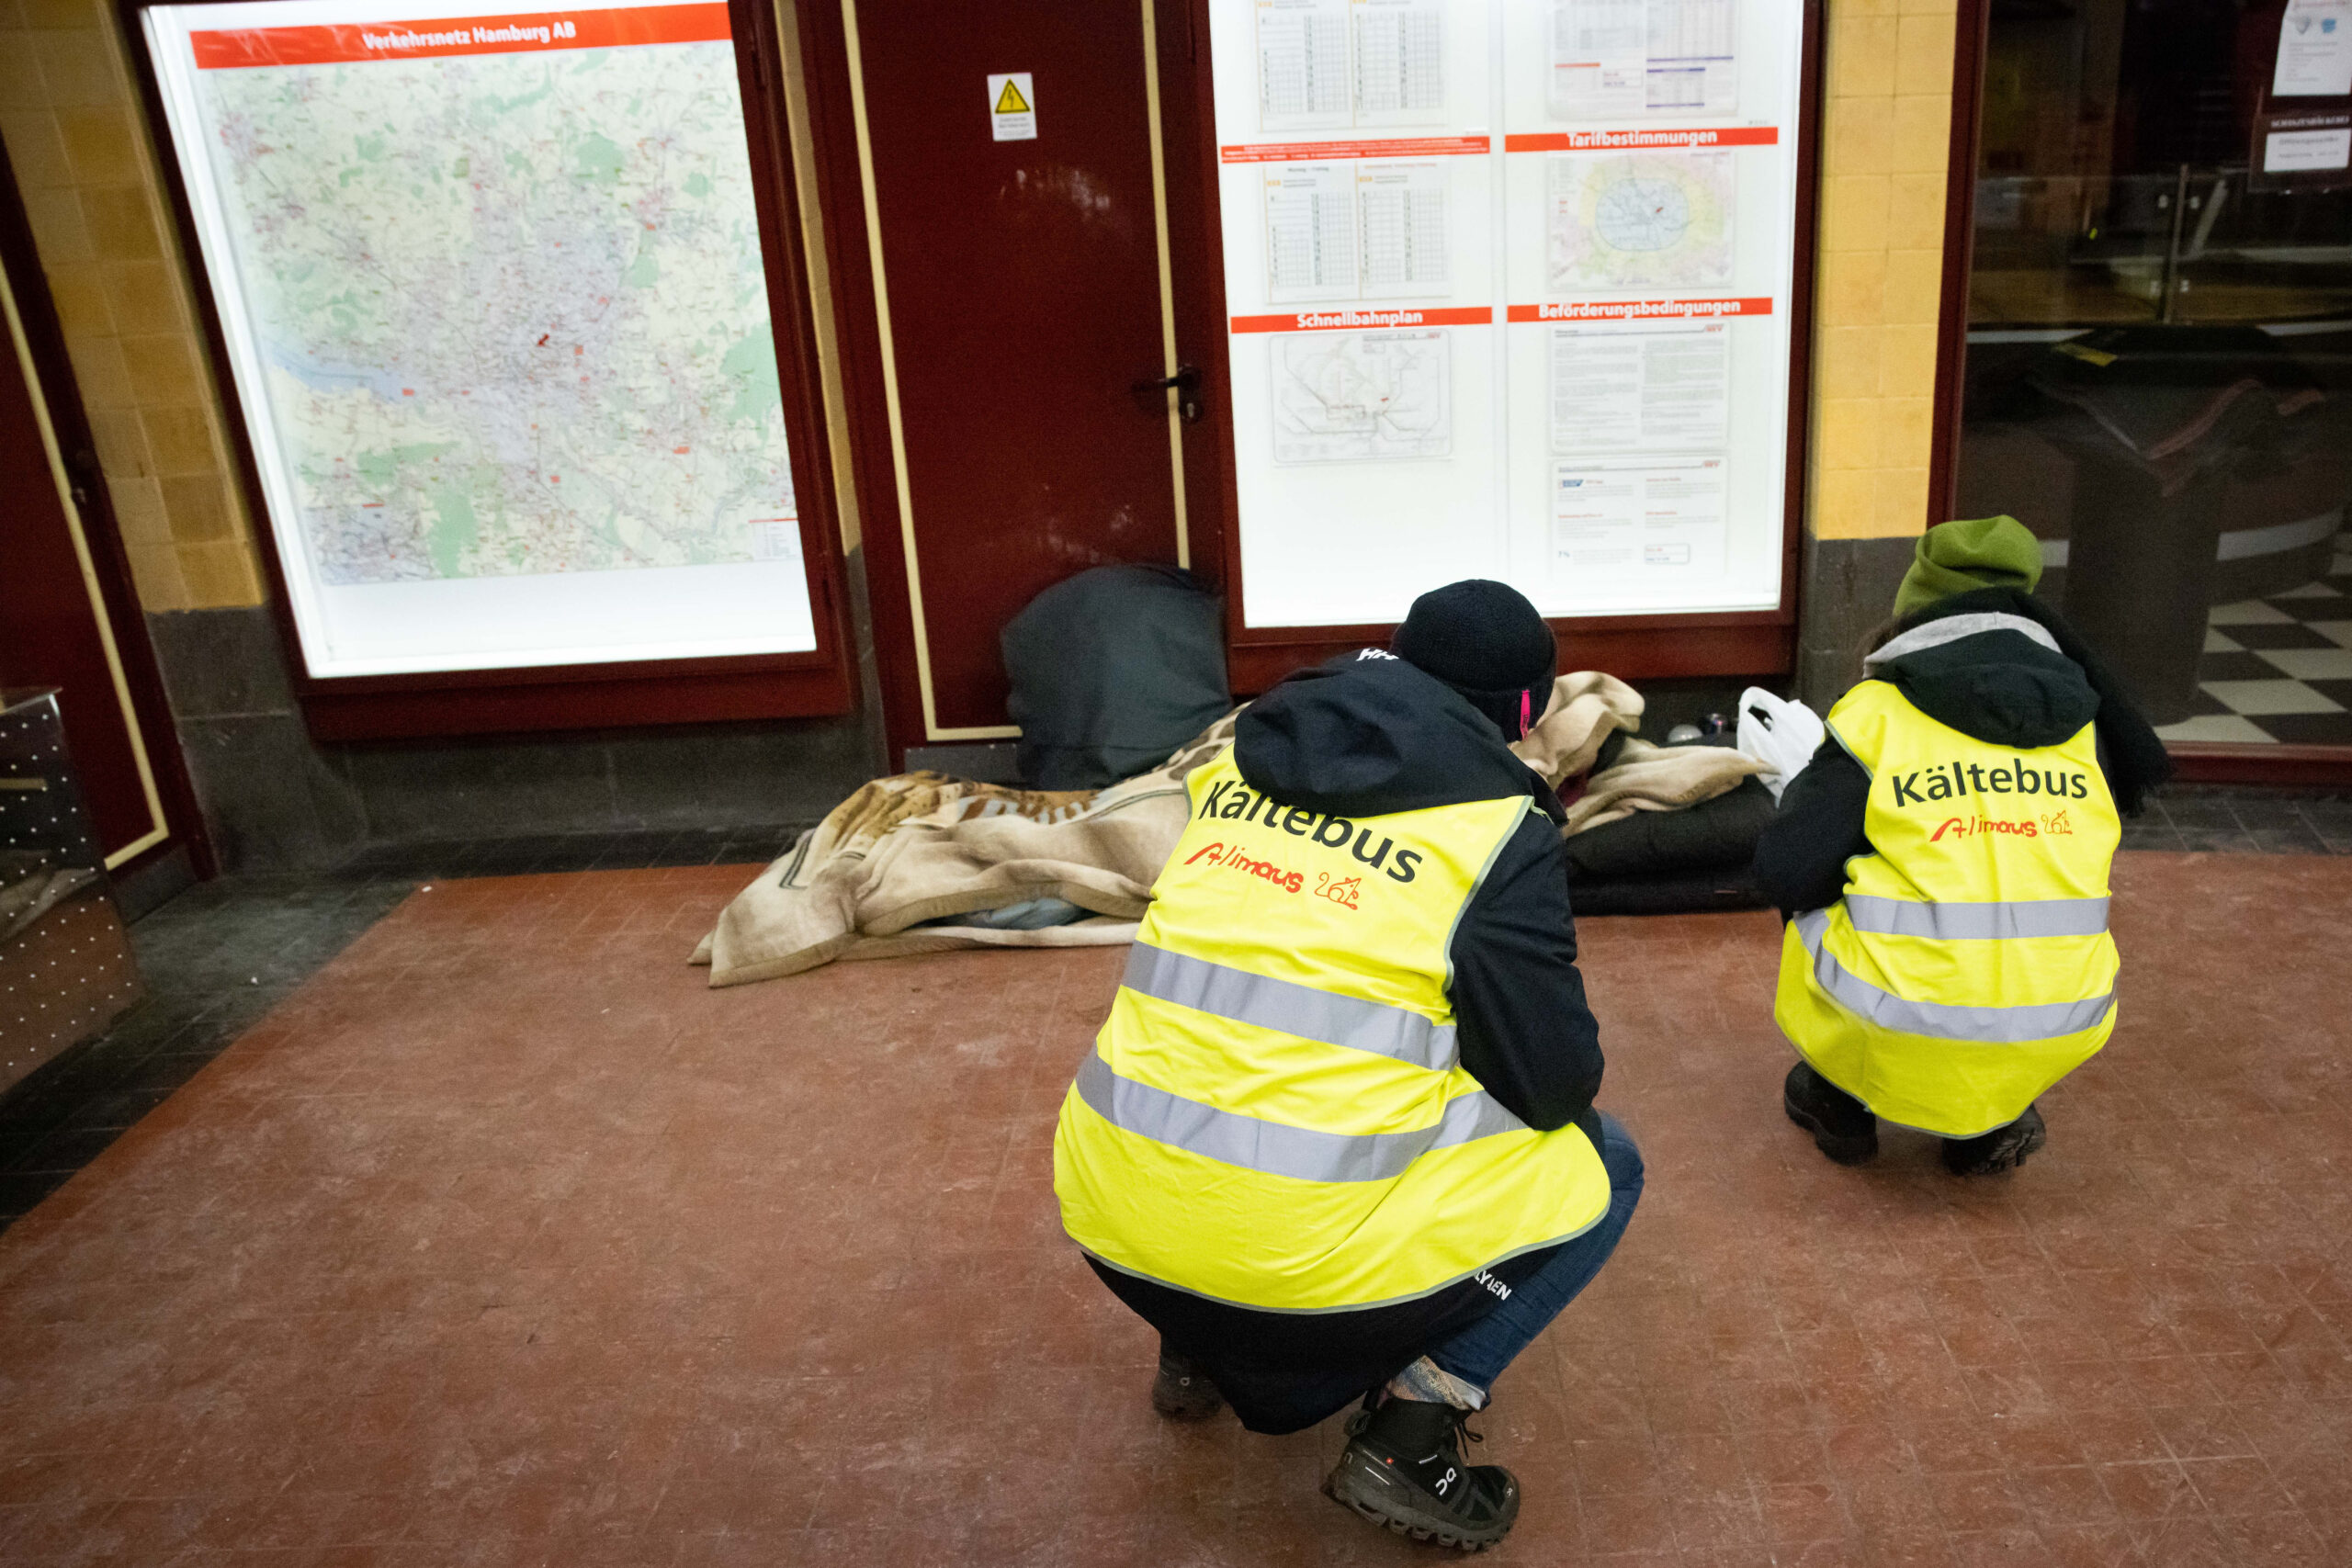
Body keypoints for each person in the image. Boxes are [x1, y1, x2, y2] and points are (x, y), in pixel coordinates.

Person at [1053, 580, 1642, 1551]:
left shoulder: (1234, 770)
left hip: (1112, 1214)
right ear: (1525, 714)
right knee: (1604, 1162)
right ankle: (1413, 1430)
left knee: (1241, 1068)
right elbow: (1551, 1084)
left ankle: (1195, 1352)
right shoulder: (1494, 830)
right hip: (1282, 1258)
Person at [1754, 515, 2170, 1175]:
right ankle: (1991, 1118)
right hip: (2062, 1018)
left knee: (1813, 889)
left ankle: (1840, 1096)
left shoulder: (1876, 713)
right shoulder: (2090, 726)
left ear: (1912, 611)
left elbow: (1783, 869)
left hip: (1893, 1015)